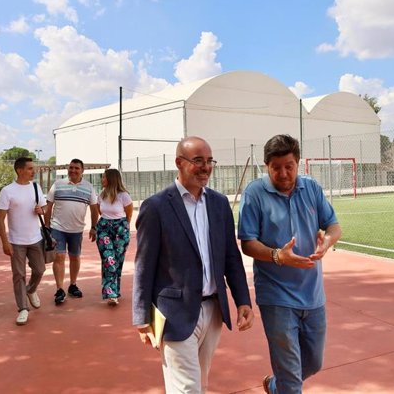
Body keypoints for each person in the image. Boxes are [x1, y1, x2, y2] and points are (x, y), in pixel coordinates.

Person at [133, 136, 255, 393]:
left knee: (200, 383)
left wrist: (243, 300)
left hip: (213, 311)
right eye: (198, 160)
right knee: (188, 389)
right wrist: (141, 316)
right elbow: (144, 265)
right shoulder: (156, 207)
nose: (206, 167)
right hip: (175, 313)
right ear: (179, 162)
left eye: (210, 161)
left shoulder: (219, 203)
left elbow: (231, 257)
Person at [237, 134, 342, 394]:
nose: (283, 174)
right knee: (292, 378)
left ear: (298, 163)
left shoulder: (312, 188)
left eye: (289, 166)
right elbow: (247, 243)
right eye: (276, 168)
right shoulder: (255, 193)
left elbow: (333, 225)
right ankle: (283, 385)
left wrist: (326, 242)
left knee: (314, 363)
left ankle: (275, 385)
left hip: (313, 293)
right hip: (276, 296)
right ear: (266, 166)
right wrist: (277, 256)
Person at [0, 157, 46, 326]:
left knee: (39, 269)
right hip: (16, 241)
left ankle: (31, 290)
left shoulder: (35, 187)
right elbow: (0, 219)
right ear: (19, 170)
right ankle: (23, 309)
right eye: (30, 168)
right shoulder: (7, 191)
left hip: (36, 238)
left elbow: (44, 208)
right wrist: (5, 242)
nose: (34, 171)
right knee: (19, 275)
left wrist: (42, 209)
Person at [43, 158, 99, 305]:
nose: (73, 170)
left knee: (75, 257)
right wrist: (47, 227)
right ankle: (60, 289)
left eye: (76, 168)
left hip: (77, 230)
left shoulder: (89, 187)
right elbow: (48, 206)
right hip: (57, 228)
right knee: (59, 258)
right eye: (71, 167)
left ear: (82, 171)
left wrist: (94, 227)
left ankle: (72, 285)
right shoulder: (58, 184)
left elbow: (94, 209)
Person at [95, 168, 132, 306]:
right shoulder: (101, 195)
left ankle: (115, 290)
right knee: (109, 259)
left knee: (117, 260)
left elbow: (128, 214)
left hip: (120, 229)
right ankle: (111, 293)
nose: (102, 180)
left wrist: (123, 226)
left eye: (104, 177)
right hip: (104, 227)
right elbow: (100, 210)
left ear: (111, 179)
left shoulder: (124, 196)